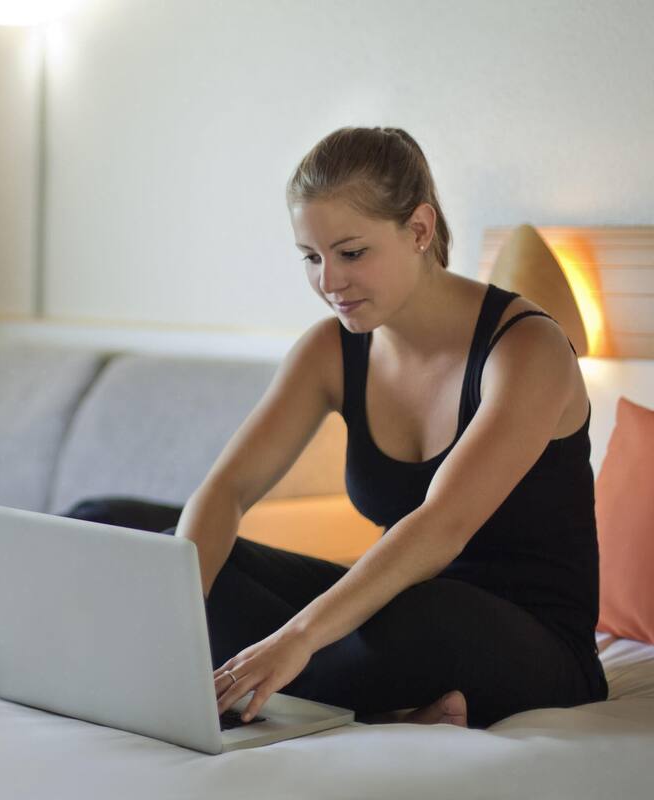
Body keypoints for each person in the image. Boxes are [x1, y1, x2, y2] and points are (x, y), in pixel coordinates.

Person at [62, 126, 609, 729]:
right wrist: (182, 605)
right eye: (311, 257)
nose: (329, 282)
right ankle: (386, 707)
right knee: (122, 528)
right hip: (387, 605)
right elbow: (228, 488)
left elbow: (440, 527)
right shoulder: (330, 350)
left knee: (402, 622)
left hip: (525, 642)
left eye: (351, 253)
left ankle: (326, 688)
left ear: (420, 230)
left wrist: (297, 637)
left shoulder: (528, 349)